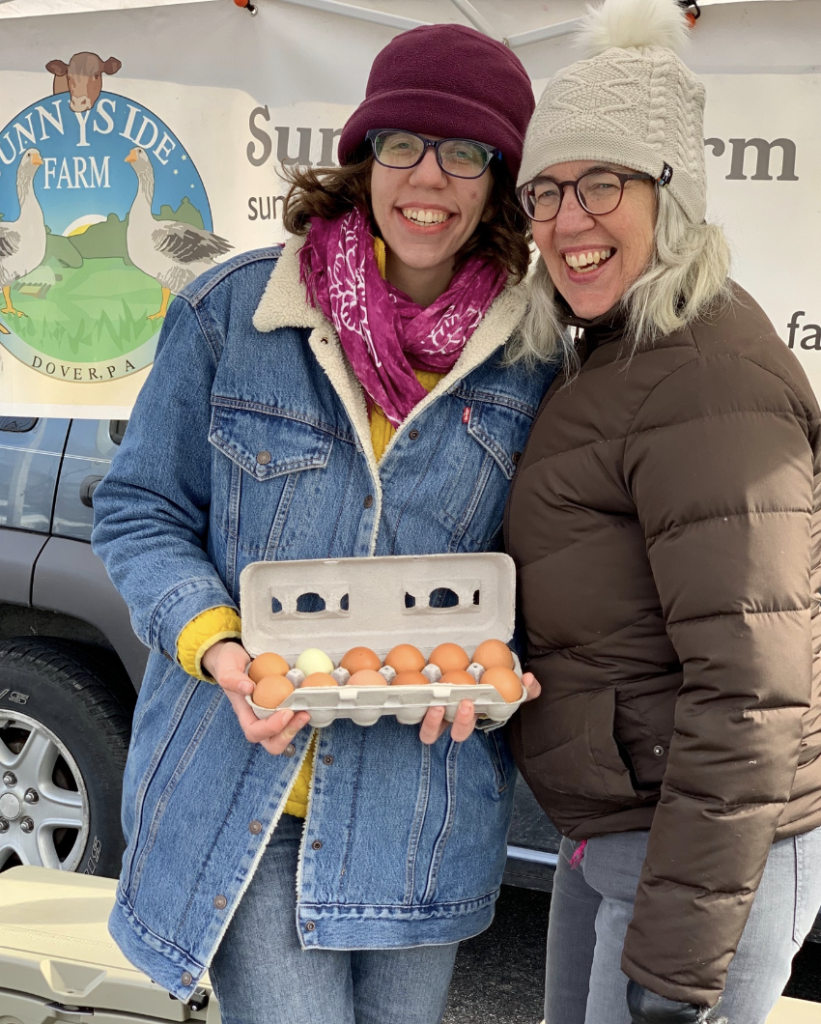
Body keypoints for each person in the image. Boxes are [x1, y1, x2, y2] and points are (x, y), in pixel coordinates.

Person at [91, 22, 552, 1024]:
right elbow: (139, 510)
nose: (426, 177)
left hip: (419, 805)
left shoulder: (533, 359)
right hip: (244, 791)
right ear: (361, 156)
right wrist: (217, 649)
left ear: (497, 179)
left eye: (463, 152)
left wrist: (497, 667)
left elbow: (545, 565)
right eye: (401, 144)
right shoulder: (234, 313)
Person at [503, 1, 821, 1023]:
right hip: (617, 825)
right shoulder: (615, 349)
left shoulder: (705, 375)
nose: (566, 219)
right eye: (544, 190)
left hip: (698, 852)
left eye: (602, 183)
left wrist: (678, 965)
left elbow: (752, 682)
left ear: (670, 197)